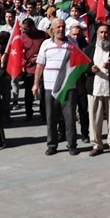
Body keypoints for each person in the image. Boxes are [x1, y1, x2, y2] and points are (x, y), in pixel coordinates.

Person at [33, 18, 80, 156]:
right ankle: (52, 144)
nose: (61, 29)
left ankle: (72, 144)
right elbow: (40, 65)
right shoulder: (46, 44)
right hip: (50, 87)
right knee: (51, 118)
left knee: (70, 118)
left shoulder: (72, 43)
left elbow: (78, 63)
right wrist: (36, 84)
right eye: (58, 27)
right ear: (52, 29)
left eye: (63, 26)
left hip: (68, 87)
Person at [87, 23, 110, 157]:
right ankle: (97, 144)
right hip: (94, 88)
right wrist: (91, 69)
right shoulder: (90, 49)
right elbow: (83, 65)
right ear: (96, 34)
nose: (103, 35)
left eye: (106, 32)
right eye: (101, 32)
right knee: (94, 118)